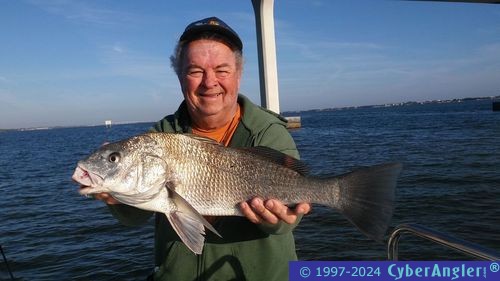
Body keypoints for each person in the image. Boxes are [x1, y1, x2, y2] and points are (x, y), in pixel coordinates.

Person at [94, 17, 311, 281]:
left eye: (222, 70)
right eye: (196, 71)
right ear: (180, 76)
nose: (210, 82)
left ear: (238, 75)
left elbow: (291, 216)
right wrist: (116, 196)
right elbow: (133, 217)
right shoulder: (159, 136)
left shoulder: (268, 131)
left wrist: (275, 219)